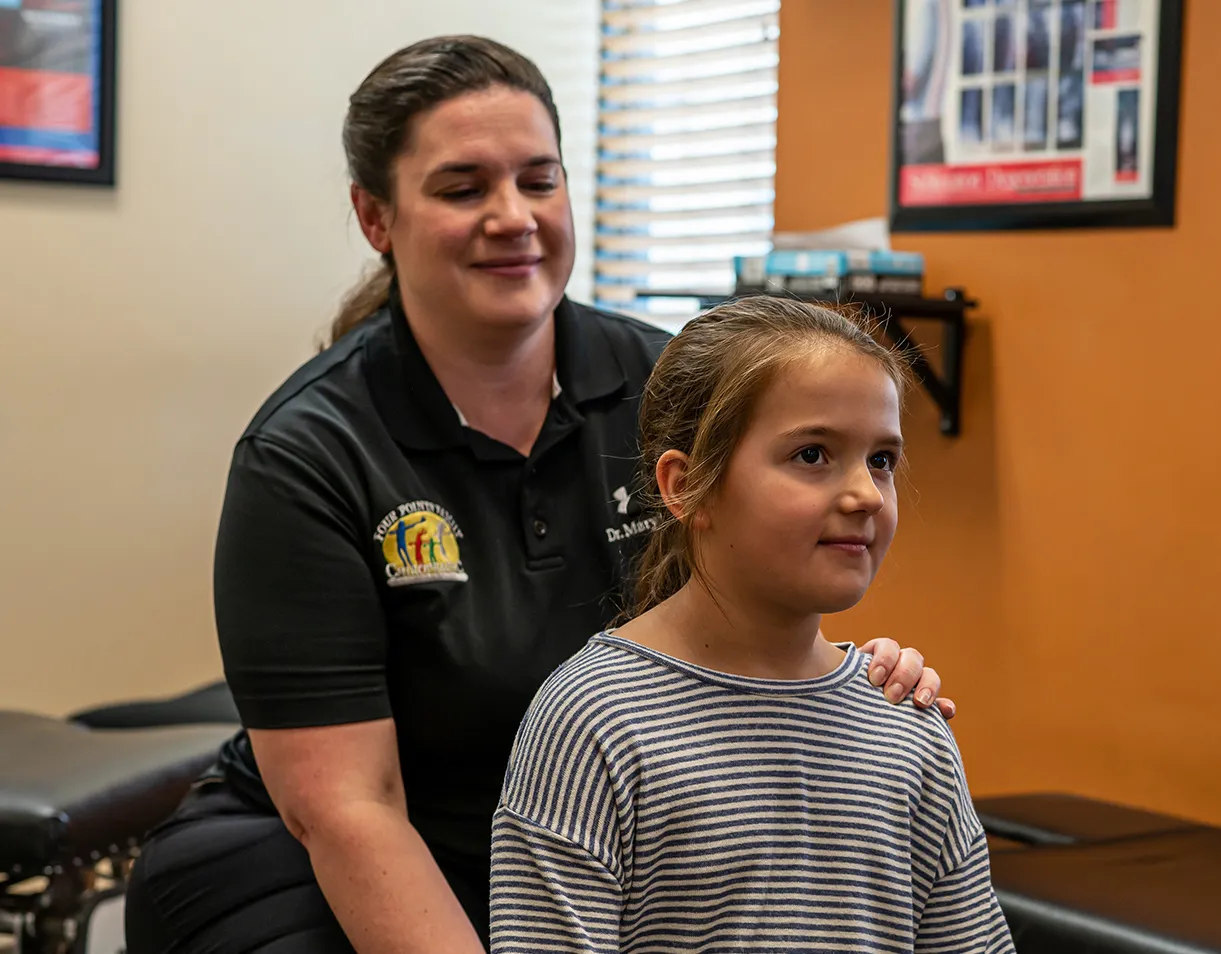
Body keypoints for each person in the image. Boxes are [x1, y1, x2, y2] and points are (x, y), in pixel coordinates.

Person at [124, 36, 949, 954]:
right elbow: (349, 807)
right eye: (462, 187)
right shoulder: (309, 453)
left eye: (538, 179)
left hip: (593, 837)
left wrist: (852, 677)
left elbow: (765, 586)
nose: (512, 216)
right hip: (331, 858)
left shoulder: (667, 386)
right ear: (374, 216)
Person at [487, 297, 1014, 953]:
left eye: (880, 459)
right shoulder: (594, 720)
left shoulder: (905, 723)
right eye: (813, 455)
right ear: (687, 487)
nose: (865, 495)